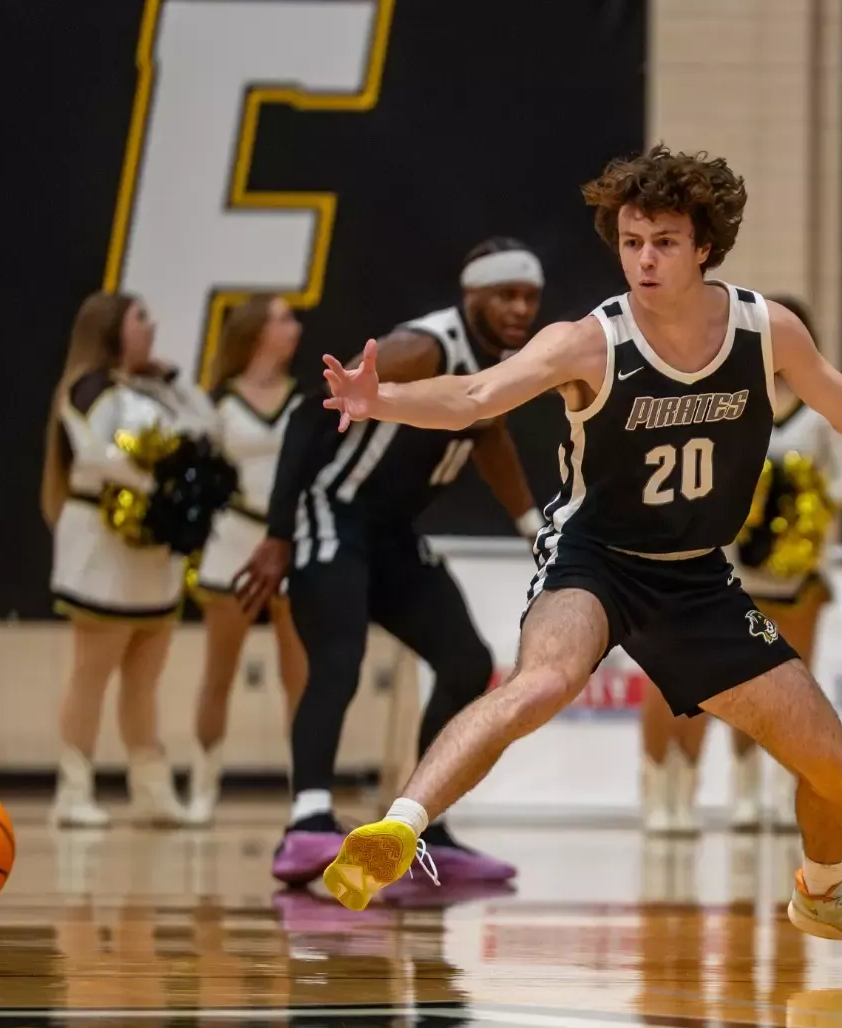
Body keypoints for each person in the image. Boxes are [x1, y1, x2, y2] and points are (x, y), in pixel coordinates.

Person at [311, 145, 842, 968]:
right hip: (594, 558)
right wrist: (378, 397)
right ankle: (402, 823)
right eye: (632, 241)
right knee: (543, 680)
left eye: (664, 241)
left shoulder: (763, 328)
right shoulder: (587, 341)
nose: (644, 259)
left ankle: (824, 891)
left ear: (705, 243)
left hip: (697, 573)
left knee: (838, 771)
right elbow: (476, 395)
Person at [238, 237, 548, 890]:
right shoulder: (422, 347)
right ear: (473, 297)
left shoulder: (504, 361)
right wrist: (276, 534)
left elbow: (489, 435)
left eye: (530, 297)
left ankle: (422, 827)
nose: (521, 308)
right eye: (506, 296)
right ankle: (308, 820)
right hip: (335, 512)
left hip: (391, 532)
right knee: (339, 659)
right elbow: (306, 416)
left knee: (467, 661)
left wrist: (531, 526)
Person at [635, 293, 842, 835]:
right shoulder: (729, 401)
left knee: (789, 689)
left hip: (796, 574)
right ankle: (671, 793)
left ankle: (768, 790)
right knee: (720, 687)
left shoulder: (823, 409)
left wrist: (806, 495)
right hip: (727, 573)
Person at [42, 291, 214, 828]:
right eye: (142, 318)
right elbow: (97, 453)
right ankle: (73, 789)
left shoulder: (154, 391)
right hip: (102, 544)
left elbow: (209, 428)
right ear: (113, 328)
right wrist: (154, 478)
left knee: (145, 675)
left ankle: (152, 788)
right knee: (92, 671)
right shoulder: (89, 388)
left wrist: (175, 380)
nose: (152, 326)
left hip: (153, 549)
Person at [186, 294, 310, 825]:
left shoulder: (307, 399)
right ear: (258, 331)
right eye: (284, 319)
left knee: (300, 677)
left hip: (291, 543)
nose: (295, 327)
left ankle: (305, 793)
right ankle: (202, 784)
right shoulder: (217, 403)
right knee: (219, 673)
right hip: (234, 544)